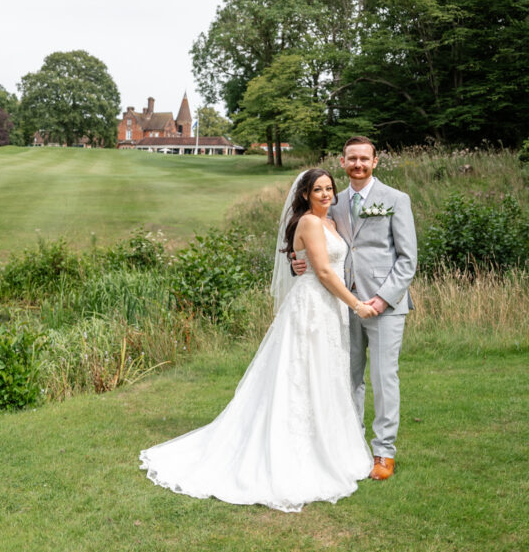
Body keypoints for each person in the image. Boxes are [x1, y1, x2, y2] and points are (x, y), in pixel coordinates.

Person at [140, 169, 375, 512]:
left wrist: (329, 287)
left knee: (325, 375)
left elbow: (323, 263)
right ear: (306, 194)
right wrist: (355, 304)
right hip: (312, 307)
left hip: (329, 309)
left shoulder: (331, 224)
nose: (325, 194)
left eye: (329, 188)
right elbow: (323, 271)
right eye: (318, 190)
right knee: (301, 376)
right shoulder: (309, 223)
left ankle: (329, 445)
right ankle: (296, 452)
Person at [293, 136, 417, 480]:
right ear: (343, 161)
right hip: (342, 304)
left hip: (384, 305)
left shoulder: (396, 200)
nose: (358, 164)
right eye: (352, 159)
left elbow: (408, 260)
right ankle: (350, 444)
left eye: (364, 158)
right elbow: (312, 238)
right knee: (346, 378)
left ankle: (383, 453)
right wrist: (295, 260)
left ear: (375, 161)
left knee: (383, 377)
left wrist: (381, 298)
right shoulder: (333, 201)